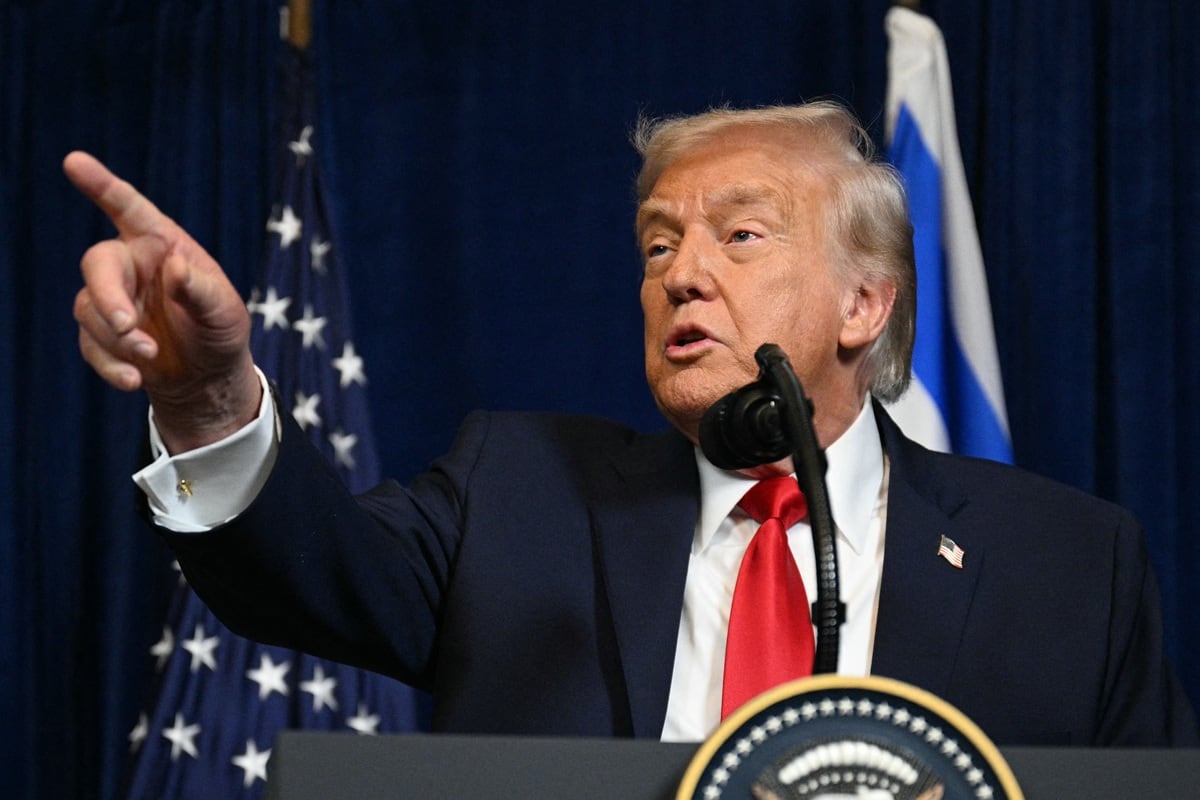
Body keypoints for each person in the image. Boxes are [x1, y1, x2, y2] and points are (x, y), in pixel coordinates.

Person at [67, 101, 1198, 746]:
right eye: (659, 244)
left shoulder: (1071, 563)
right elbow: (297, 571)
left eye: (741, 237)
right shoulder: (517, 493)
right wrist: (207, 393)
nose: (683, 275)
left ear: (866, 302)